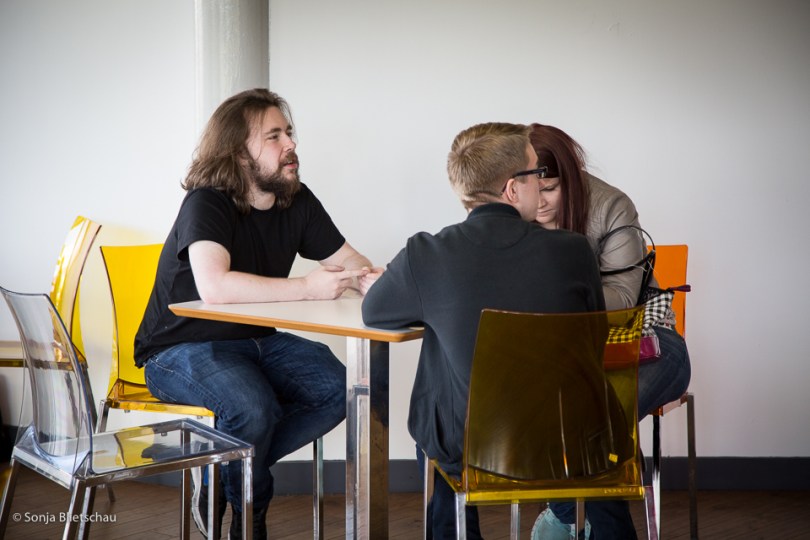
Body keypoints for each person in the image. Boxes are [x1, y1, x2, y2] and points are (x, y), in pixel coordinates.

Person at [134, 88, 380, 540]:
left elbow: (350, 259)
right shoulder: (207, 202)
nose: (291, 144)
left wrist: (366, 277)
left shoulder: (296, 200)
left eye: (288, 132)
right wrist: (307, 288)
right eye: (274, 136)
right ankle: (250, 519)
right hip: (179, 346)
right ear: (238, 152)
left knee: (341, 390)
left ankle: (219, 466)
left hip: (257, 341)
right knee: (252, 408)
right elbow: (215, 286)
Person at [361, 122, 605, 539]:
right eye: (536, 173)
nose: (541, 182)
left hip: (466, 450)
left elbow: (375, 311)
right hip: (564, 445)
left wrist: (431, 300)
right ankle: (580, 518)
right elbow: (594, 340)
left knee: (439, 354)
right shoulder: (573, 251)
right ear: (512, 189)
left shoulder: (427, 254)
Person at [527, 123, 692, 539]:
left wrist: (545, 292)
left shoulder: (611, 205)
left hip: (646, 343)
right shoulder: (511, 208)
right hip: (566, 357)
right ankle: (576, 517)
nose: (539, 201)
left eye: (551, 189)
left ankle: (566, 515)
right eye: (532, 189)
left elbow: (621, 299)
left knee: (590, 421)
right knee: (589, 424)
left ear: (572, 177)